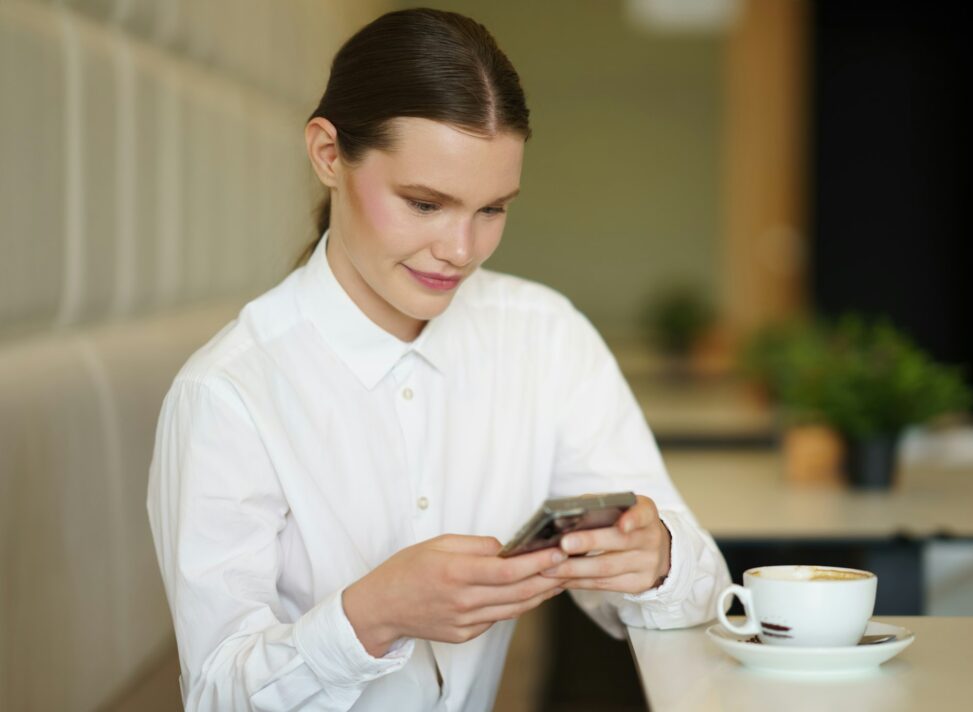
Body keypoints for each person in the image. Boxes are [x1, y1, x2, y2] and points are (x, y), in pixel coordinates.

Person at [147, 8, 731, 711]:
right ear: (329, 154)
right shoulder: (229, 395)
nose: (462, 249)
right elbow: (217, 695)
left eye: (493, 209)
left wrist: (658, 558)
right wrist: (374, 613)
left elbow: (699, 598)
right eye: (425, 204)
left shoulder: (543, 336)